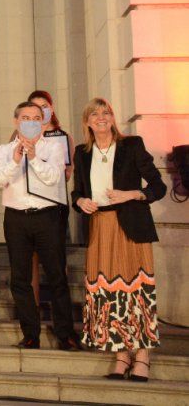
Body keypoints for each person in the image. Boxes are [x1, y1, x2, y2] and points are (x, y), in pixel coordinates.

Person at [72, 97, 164, 382]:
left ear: (112, 118)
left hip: (130, 226)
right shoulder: (82, 153)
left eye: (106, 112)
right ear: (87, 122)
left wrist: (130, 194)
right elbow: (77, 193)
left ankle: (142, 356)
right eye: (94, 114)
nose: (101, 117)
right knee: (109, 293)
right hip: (100, 226)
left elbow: (158, 186)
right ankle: (121, 354)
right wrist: (81, 202)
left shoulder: (131, 145)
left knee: (135, 291)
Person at [0, 101, 80, 351]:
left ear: (42, 121)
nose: (30, 122)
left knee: (56, 275)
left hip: (47, 216)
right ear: (16, 121)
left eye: (35, 117)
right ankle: (31, 334)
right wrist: (16, 160)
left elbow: (53, 176)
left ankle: (65, 334)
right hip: (17, 217)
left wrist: (33, 157)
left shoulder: (53, 147)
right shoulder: (5, 150)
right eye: (25, 117)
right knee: (20, 277)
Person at [27, 89, 75, 300]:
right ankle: (32, 311)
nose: (41, 111)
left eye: (44, 106)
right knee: (31, 261)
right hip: (28, 204)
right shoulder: (21, 134)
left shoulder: (63, 136)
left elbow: (66, 173)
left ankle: (61, 318)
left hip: (54, 204)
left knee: (56, 262)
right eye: (35, 107)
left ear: (51, 108)